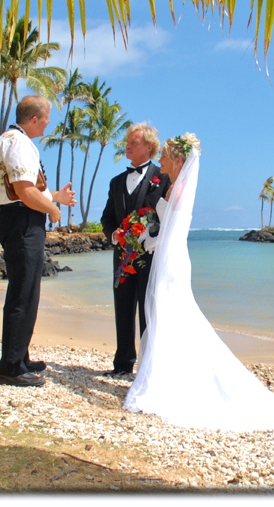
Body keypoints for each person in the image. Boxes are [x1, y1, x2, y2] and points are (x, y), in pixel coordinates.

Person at [123, 134, 274, 435]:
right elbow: (169, 229)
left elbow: (174, 230)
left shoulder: (179, 189)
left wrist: (150, 240)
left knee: (172, 314)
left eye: (166, 157)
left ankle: (169, 381)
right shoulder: (174, 186)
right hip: (168, 256)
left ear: (179, 160)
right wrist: (150, 239)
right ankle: (168, 375)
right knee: (169, 316)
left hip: (172, 260)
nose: (161, 162)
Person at [0, 95, 76, 387]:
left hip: (15, 217)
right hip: (22, 219)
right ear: (35, 118)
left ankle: (20, 356)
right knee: (24, 292)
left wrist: (55, 197)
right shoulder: (20, 144)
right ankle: (11, 366)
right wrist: (52, 209)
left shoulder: (11, 140)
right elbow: (26, 193)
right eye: (47, 116)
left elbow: (28, 189)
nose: (50, 121)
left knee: (26, 289)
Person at [100, 123, 171, 376]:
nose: (127, 146)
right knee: (123, 308)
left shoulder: (163, 179)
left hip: (151, 257)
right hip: (121, 256)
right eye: (127, 142)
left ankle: (147, 366)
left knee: (148, 310)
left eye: (134, 142)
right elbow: (107, 218)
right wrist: (113, 234)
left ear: (148, 147)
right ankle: (122, 364)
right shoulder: (116, 182)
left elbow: (168, 219)